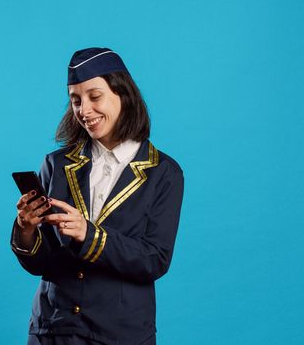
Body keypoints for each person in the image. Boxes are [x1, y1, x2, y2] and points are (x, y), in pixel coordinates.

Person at [11, 47, 184, 345]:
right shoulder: (56, 164)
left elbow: (154, 260)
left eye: (94, 96)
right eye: (75, 100)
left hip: (120, 335)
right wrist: (26, 229)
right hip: (53, 331)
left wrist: (88, 234)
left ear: (123, 93)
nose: (83, 110)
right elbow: (43, 264)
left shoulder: (164, 172)